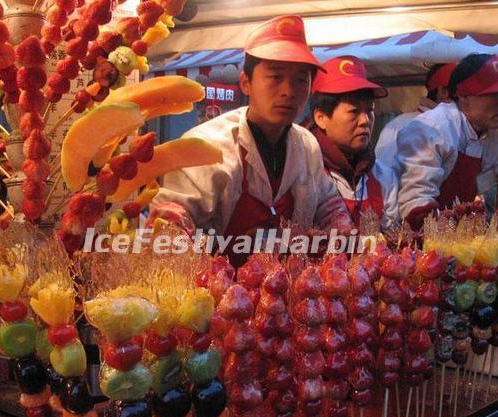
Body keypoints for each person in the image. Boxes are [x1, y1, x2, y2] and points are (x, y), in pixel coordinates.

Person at [150, 15, 351, 260]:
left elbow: (328, 205)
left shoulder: (307, 145)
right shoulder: (208, 145)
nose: (289, 91)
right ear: (246, 83)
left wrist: (345, 243)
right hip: (213, 291)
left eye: (301, 80)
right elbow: (169, 219)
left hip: (286, 289)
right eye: (276, 77)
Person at [397, 54, 498, 229]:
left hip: (453, 236)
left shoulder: (493, 139)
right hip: (413, 238)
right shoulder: (431, 129)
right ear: (464, 96)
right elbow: (416, 202)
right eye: (495, 95)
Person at [308, 56, 399, 228]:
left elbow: (392, 236)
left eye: (369, 110)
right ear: (321, 118)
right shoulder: (305, 173)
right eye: (354, 111)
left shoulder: (383, 176)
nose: (365, 120)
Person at [375, 62, 456, 177]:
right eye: (463, 93)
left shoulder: (460, 129)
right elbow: (382, 178)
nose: (466, 100)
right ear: (443, 91)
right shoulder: (400, 125)